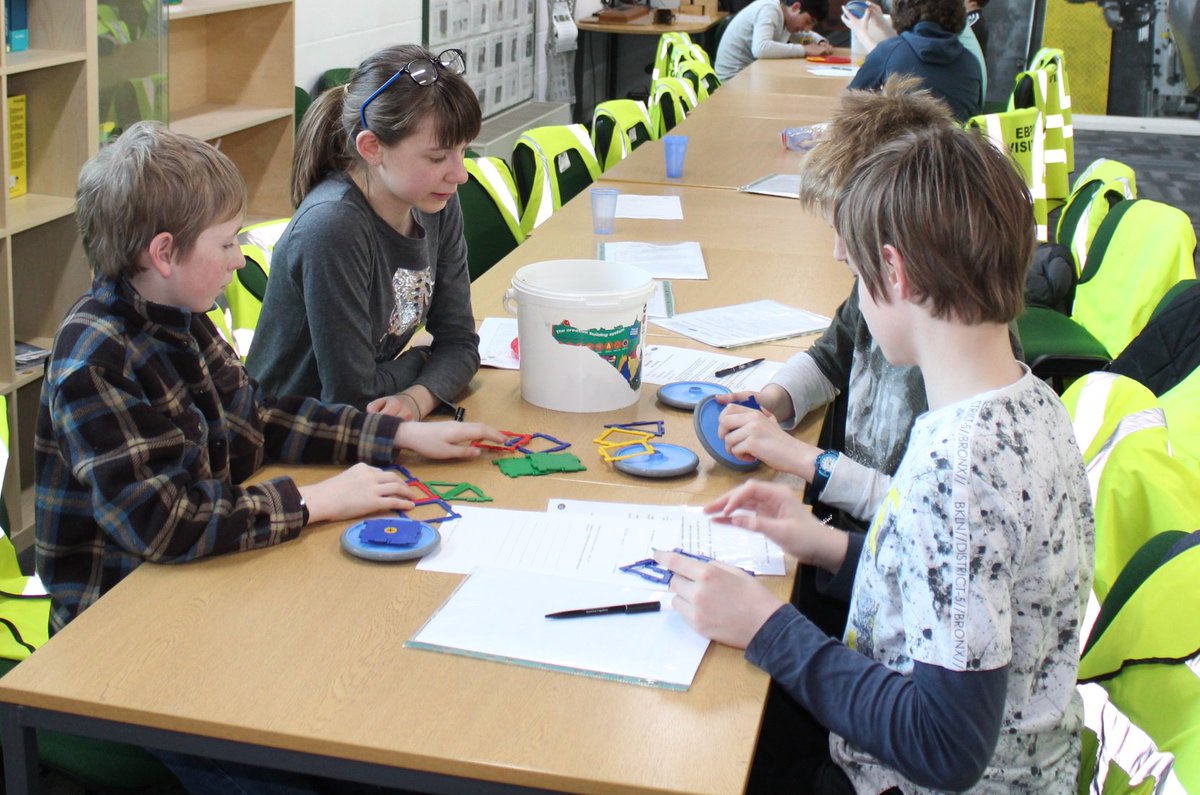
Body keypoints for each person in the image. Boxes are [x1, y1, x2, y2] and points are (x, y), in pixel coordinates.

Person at [657, 124, 1094, 792]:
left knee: (705, 748)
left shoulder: (960, 464)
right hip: (1034, 765)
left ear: (895, 271)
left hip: (932, 779)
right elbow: (970, 593)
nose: (858, 298)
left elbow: (946, 746)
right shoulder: (1029, 402)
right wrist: (833, 546)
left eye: (859, 277)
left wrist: (766, 624)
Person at [37, 120, 506, 636]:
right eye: (226, 244)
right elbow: (167, 522)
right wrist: (316, 501)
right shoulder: (96, 362)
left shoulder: (178, 313)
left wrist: (401, 434)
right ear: (164, 254)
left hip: (196, 580)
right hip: (118, 621)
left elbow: (256, 419)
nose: (239, 260)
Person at [717, 76, 961, 536]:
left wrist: (805, 460)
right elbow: (831, 358)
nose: (835, 252)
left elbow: (921, 517)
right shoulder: (876, 290)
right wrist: (773, 400)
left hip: (870, 540)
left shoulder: (957, 358)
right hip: (848, 529)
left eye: (846, 230)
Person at [247, 45, 482, 422]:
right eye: (438, 157)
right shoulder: (332, 228)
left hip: (368, 428)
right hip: (291, 439)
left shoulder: (435, 199)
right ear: (372, 148)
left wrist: (417, 398)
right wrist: (422, 357)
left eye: (463, 151)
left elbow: (461, 344)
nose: (460, 174)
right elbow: (353, 397)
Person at [843, 0, 982, 120]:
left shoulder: (889, 51)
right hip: (957, 148)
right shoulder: (970, 61)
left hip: (903, 149)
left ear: (901, 9)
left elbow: (849, 101)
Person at [714, 0, 834, 82]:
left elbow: (802, 35)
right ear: (795, 8)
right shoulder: (769, 10)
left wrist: (820, 42)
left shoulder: (786, 18)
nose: (807, 28)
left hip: (747, 76)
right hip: (731, 80)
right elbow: (761, 49)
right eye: (808, 21)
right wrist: (804, 50)